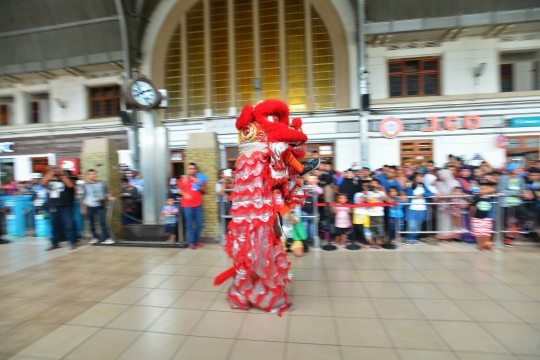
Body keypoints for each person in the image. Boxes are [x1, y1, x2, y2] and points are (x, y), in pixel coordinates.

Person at [41, 166, 76, 250]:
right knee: (54, 226)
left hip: (65, 205)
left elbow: (70, 185)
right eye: (51, 169)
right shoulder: (48, 180)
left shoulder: (63, 178)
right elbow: (43, 184)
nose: (54, 170)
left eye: (55, 168)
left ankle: (72, 242)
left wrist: (61, 174)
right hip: (53, 205)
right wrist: (50, 174)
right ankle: (54, 244)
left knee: (68, 225)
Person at [81, 169, 115, 245]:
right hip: (90, 206)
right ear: (87, 176)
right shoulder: (86, 186)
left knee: (103, 222)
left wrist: (110, 197)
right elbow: (83, 197)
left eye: (93, 174)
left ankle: (106, 238)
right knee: (91, 223)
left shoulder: (102, 183)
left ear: (96, 175)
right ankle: (94, 237)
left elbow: (107, 192)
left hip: (100, 206)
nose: (92, 175)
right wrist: (83, 208)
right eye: (90, 174)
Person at [498, 163, 528, 247]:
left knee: (525, 215)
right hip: (506, 203)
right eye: (518, 168)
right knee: (504, 222)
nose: (520, 170)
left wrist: (524, 193)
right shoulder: (503, 178)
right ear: (512, 170)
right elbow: (501, 190)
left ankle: (515, 230)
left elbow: (523, 189)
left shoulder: (520, 178)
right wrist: (515, 193)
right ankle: (506, 240)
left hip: (517, 202)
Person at [178, 162, 206, 249]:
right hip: (187, 205)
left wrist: (200, 183)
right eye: (190, 169)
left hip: (198, 205)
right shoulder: (183, 179)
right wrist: (185, 194)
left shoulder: (200, 178)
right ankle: (191, 243)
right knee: (189, 224)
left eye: (193, 169)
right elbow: (179, 190)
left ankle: (196, 241)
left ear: (196, 170)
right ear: (187, 170)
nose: (191, 170)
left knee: (199, 224)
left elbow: (205, 191)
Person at [404, 173, 433, 245]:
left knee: (418, 225)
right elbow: (408, 195)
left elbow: (430, 193)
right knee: (412, 225)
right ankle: (409, 238)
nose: (421, 178)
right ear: (415, 178)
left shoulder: (424, 186)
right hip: (413, 208)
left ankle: (413, 239)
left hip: (422, 208)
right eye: (419, 177)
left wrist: (422, 195)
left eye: (421, 177)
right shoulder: (411, 186)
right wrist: (409, 188)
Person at [470, 182, 496, 251]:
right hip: (477, 217)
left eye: (485, 189)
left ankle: (487, 245)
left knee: (486, 232)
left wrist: (489, 190)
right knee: (479, 233)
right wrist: (472, 216)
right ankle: (480, 244)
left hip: (487, 218)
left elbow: (494, 189)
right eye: (482, 189)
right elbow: (473, 208)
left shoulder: (489, 197)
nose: (483, 190)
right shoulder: (477, 198)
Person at [436, 168, 456, 241]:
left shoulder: (454, 183)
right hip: (442, 204)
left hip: (451, 204)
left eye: (441, 175)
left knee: (450, 220)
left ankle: (450, 235)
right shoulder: (438, 184)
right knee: (442, 219)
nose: (440, 176)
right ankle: (442, 235)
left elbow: (456, 193)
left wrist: (449, 197)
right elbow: (436, 193)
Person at [366, 179, 387, 248]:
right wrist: (368, 193)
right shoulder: (368, 192)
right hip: (371, 213)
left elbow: (385, 199)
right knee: (372, 227)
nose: (373, 184)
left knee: (380, 227)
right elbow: (366, 200)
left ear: (378, 185)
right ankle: (373, 241)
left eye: (375, 183)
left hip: (379, 213)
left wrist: (379, 192)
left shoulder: (381, 192)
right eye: (372, 183)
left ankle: (379, 241)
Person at [302, 175, 323, 242]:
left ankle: (311, 238)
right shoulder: (305, 186)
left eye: (315, 179)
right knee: (305, 224)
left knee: (313, 225)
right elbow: (301, 191)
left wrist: (313, 186)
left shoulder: (318, 188)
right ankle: (305, 238)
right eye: (312, 178)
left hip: (314, 208)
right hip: (305, 207)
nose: (314, 180)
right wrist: (308, 185)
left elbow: (320, 192)